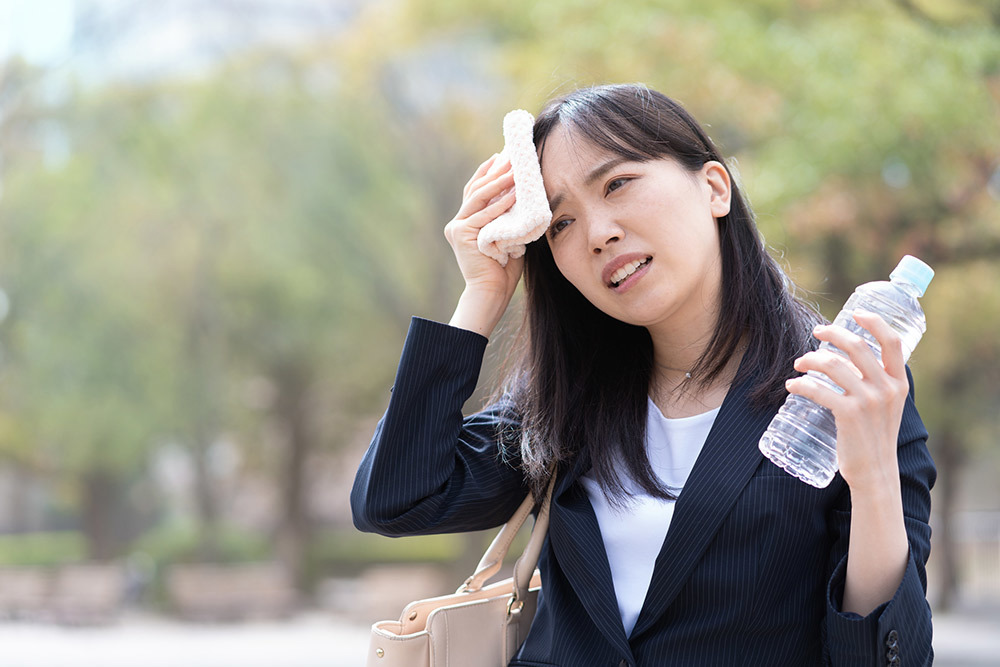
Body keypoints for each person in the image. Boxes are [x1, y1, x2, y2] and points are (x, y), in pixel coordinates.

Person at [351, 83, 934, 666]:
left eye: (617, 184)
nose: (598, 233)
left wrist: (874, 476)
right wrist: (481, 293)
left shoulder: (839, 390)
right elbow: (398, 498)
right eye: (560, 223)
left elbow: (886, 656)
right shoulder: (567, 398)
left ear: (713, 188)